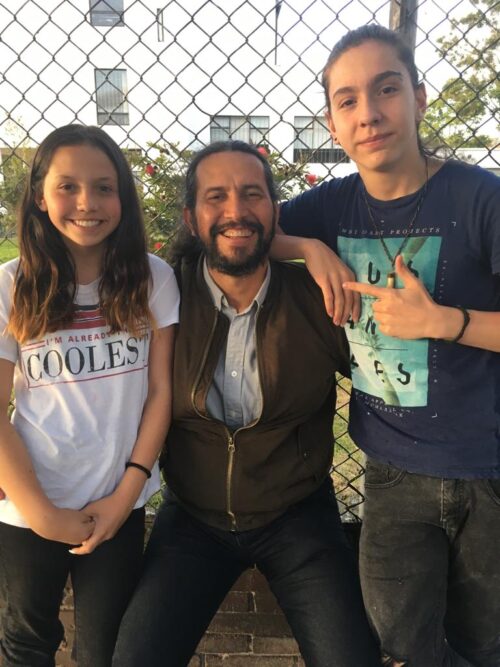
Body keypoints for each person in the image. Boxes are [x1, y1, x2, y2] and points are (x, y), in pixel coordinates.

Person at [275, 24, 500, 667]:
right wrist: (308, 245)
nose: (368, 114)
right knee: (401, 645)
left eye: (387, 89)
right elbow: (244, 230)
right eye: (347, 100)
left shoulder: (479, 198)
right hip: (392, 468)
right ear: (332, 123)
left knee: (485, 642)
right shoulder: (332, 206)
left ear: (419, 98)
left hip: (487, 466)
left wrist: (446, 322)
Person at [112, 140, 380, 667]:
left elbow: (390, 377)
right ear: (191, 218)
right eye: (216, 197)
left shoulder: (319, 297)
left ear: (274, 212)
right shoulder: (164, 299)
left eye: (252, 194)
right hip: (193, 518)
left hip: (297, 515)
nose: (236, 211)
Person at [0, 124, 179, 667]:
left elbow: (160, 392)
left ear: (122, 196)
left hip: (116, 506)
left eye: (104, 187)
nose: (87, 202)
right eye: (68, 186)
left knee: (105, 649)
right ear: (40, 196)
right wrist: (40, 513)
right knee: (28, 643)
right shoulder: (11, 284)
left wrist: (127, 493)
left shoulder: (153, 279)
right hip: (31, 506)